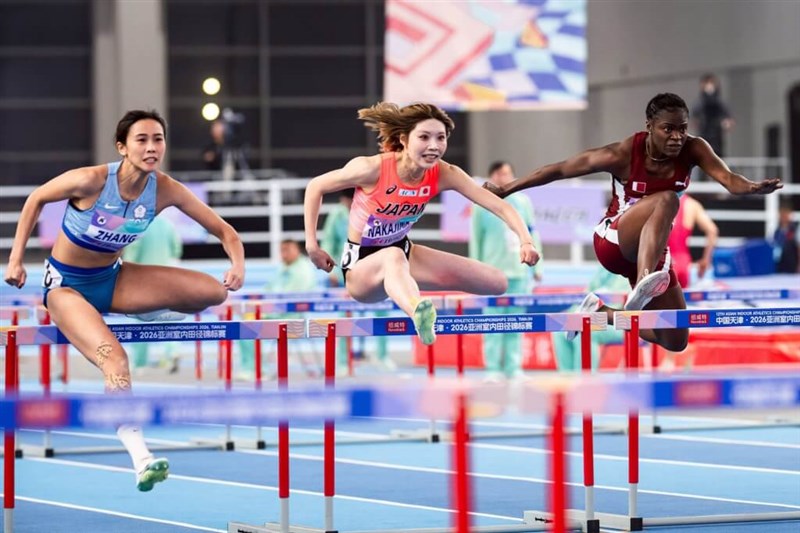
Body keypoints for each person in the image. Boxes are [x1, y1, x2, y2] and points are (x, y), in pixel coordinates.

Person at [3, 109, 245, 492]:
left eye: (158, 140)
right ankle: (140, 456)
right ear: (122, 147)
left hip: (114, 280)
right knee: (115, 359)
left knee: (213, 291)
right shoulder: (91, 180)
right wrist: (16, 260)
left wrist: (237, 266)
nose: (151, 148)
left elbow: (225, 231)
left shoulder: (164, 189)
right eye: (142, 140)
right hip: (67, 287)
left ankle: (149, 313)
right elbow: (35, 200)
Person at [486, 93, 782, 351]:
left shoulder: (694, 149)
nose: (677, 137)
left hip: (652, 252)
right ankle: (641, 284)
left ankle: (601, 311)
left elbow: (729, 180)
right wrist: (505, 189)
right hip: (614, 241)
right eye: (668, 129)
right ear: (649, 127)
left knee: (675, 339)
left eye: (682, 129)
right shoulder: (623, 153)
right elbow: (561, 169)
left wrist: (753, 188)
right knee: (669, 199)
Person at [304, 102, 540, 345]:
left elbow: (500, 205)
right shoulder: (371, 168)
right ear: (404, 140)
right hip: (360, 267)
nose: (433, 146)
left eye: (440, 138)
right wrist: (312, 247)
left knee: (497, 282)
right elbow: (315, 186)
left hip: (406, 253)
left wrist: (526, 240)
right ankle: (418, 311)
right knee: (392, 256)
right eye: (424, 137)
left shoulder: (445, 173)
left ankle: (402, 285)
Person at [470, 161, 542, 381]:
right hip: (492, 273)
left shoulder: (523, 202)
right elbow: (476, 239)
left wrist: (538, 266)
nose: (506, 177)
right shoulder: (480, 205)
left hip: (519, 273)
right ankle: (492, 368)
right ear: (492, 176)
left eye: (509, 173)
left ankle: (514, 368)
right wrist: (475, 271)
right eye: (501, 174)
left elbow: (532, 233)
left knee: (516, 323)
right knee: (491, 324)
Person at [122, 214, 184, 373]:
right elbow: (176, 251)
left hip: (143, 280)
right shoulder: (168, 224)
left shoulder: (135, 226)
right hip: (167, 279)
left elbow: (131, 256)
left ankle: (139, 363)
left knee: (140, 322)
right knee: (169, 319)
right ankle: (173, 352)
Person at [667, 194, 719, 288]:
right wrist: (706, 260)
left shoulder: (659, 202)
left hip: (664, 261)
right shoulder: (692, 205)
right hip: (683, 262)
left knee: (659, 302)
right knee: (682, 301)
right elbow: (712, 230)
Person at [691, 74, 734, 158]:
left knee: (718, 158)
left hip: (717, 137)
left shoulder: (720, 103)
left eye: (711, 83)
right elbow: (693, 119)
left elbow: (729, 119)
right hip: (704, 136)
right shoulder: (699, 103)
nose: (709, 86)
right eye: (707, 83)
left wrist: (726, 123)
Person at [772, 201, 799, 273]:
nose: (783, 217)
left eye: (785, 214)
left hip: (793, 263)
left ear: (789, 214)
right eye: (782, 214)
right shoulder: (777, 231)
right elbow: (775, 246)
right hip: (780, 264)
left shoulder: (795, 228)